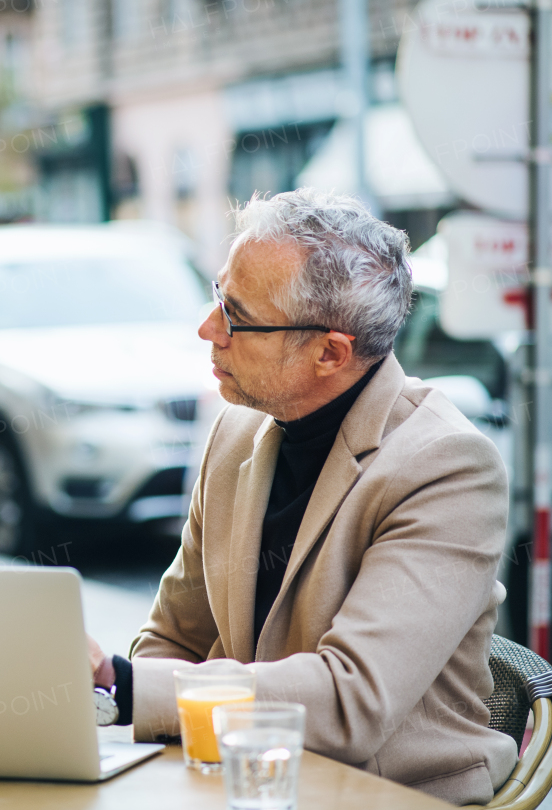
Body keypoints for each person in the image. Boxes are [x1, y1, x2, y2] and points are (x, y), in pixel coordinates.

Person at [88, 189, 516, 805]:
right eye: (217, 295)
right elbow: (173, 638)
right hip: (242, 783)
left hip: (389, 794)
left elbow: (350, 701)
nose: (208, 329)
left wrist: (119, 687)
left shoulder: (447, 465)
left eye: (236, 316)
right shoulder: (236, 429)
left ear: (329, 353)